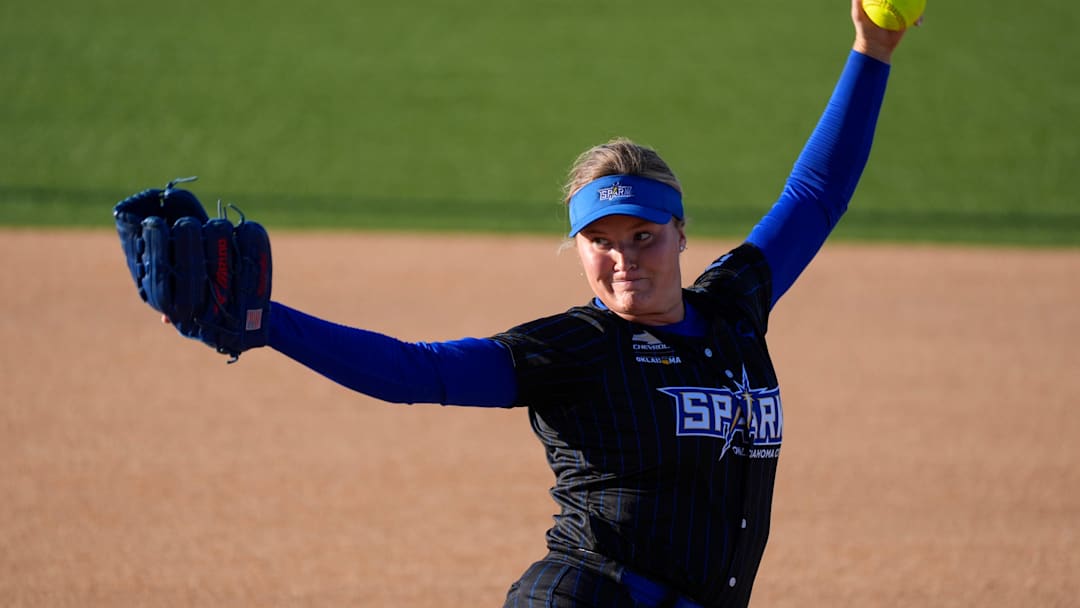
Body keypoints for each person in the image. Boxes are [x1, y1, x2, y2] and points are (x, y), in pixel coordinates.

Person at [149, 2, 910, 606]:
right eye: (600, 242)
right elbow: (418, 371)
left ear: (681, 235)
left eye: (643, 237)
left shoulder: (736, 303)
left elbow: (815, 195)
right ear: (577, 248)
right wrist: (271, 324)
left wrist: (871, 51)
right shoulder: (578, 349)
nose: (622, 260)